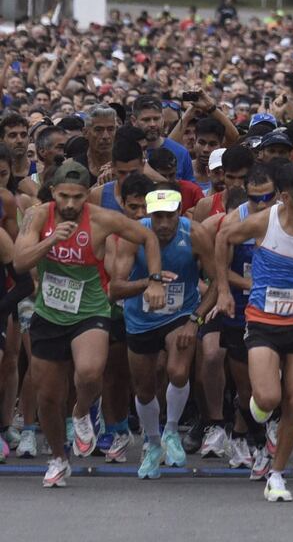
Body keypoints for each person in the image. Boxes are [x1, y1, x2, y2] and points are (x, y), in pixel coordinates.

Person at [13, 160, 165, 487]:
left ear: (87, 196)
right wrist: (50, 242)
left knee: (90, 371)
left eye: (78, 197)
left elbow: (148, 238)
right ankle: (58, 457)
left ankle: (82, 410)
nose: (70, 204)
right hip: (50, 311)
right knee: (49, 397)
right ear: (53, 192)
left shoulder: (102, 219)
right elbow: (20, 261)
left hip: (90, 308)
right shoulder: (37, 217)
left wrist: (155, 280)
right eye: (64, 196)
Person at [212, 162, 293, 502]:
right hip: (264, 321)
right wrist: (224, 291)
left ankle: (277, 474)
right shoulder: (263, 222)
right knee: (268, 398)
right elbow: (223, 236)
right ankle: (257, 417)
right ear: (286, 197)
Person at [110, 185, 218, 478]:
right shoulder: (134, 236)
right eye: (158, 217)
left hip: (181, 314)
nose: (164, 224)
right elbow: (114, 289)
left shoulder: (195, 234)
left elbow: (216, 283)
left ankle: (171, 431)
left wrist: (194, 321)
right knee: (144, 388)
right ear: (148, 215)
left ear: (180, 213)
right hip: (141, 319)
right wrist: (150, 282)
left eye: (170, 216)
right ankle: (154, 441)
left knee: (178, 371)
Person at [209, 167, 278, 478]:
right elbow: (219, 267)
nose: (261, 205)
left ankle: (263, 438)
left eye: (268, 198)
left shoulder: (287, 217)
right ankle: (254, 440)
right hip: (242, 308)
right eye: (255, 199)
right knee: (248, 388)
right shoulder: (235, 222)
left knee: (281, 385)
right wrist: (226, 291)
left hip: (281, 310)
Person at [97, 172, 156, 462]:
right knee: (114, 372)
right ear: (122, 205)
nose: (140, 214)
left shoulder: (165, 232)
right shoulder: (113, 236)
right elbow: (114, 282)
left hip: (159, 311)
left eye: (145, 207)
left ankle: (153, 432)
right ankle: (116, 428)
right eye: (134, 207)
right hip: (121, 308)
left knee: (156, 373)